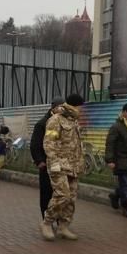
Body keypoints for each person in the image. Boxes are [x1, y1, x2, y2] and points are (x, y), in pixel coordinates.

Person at [40, 93, 85, 241]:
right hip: (59, 165)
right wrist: (54, 162)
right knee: (62, 195)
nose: (82, 110)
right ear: (75, 106)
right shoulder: (55, 120)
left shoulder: (74, 121)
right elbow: (49, 142)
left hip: (73, 166)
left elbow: (77, 145)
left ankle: (63, 227)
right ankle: (47, 223)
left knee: (71, 198)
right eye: (80, 107)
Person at [30, 97, 65, 218]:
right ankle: (46, 217)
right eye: (60, 107)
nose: (62, 110)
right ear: (54, 108)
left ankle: (59, 218)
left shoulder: (65, 122)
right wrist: (39, 161)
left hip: (62, 164)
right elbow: (35, 144)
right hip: (46, 163)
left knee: (61, 193)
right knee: (46, 192)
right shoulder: (42, 123)